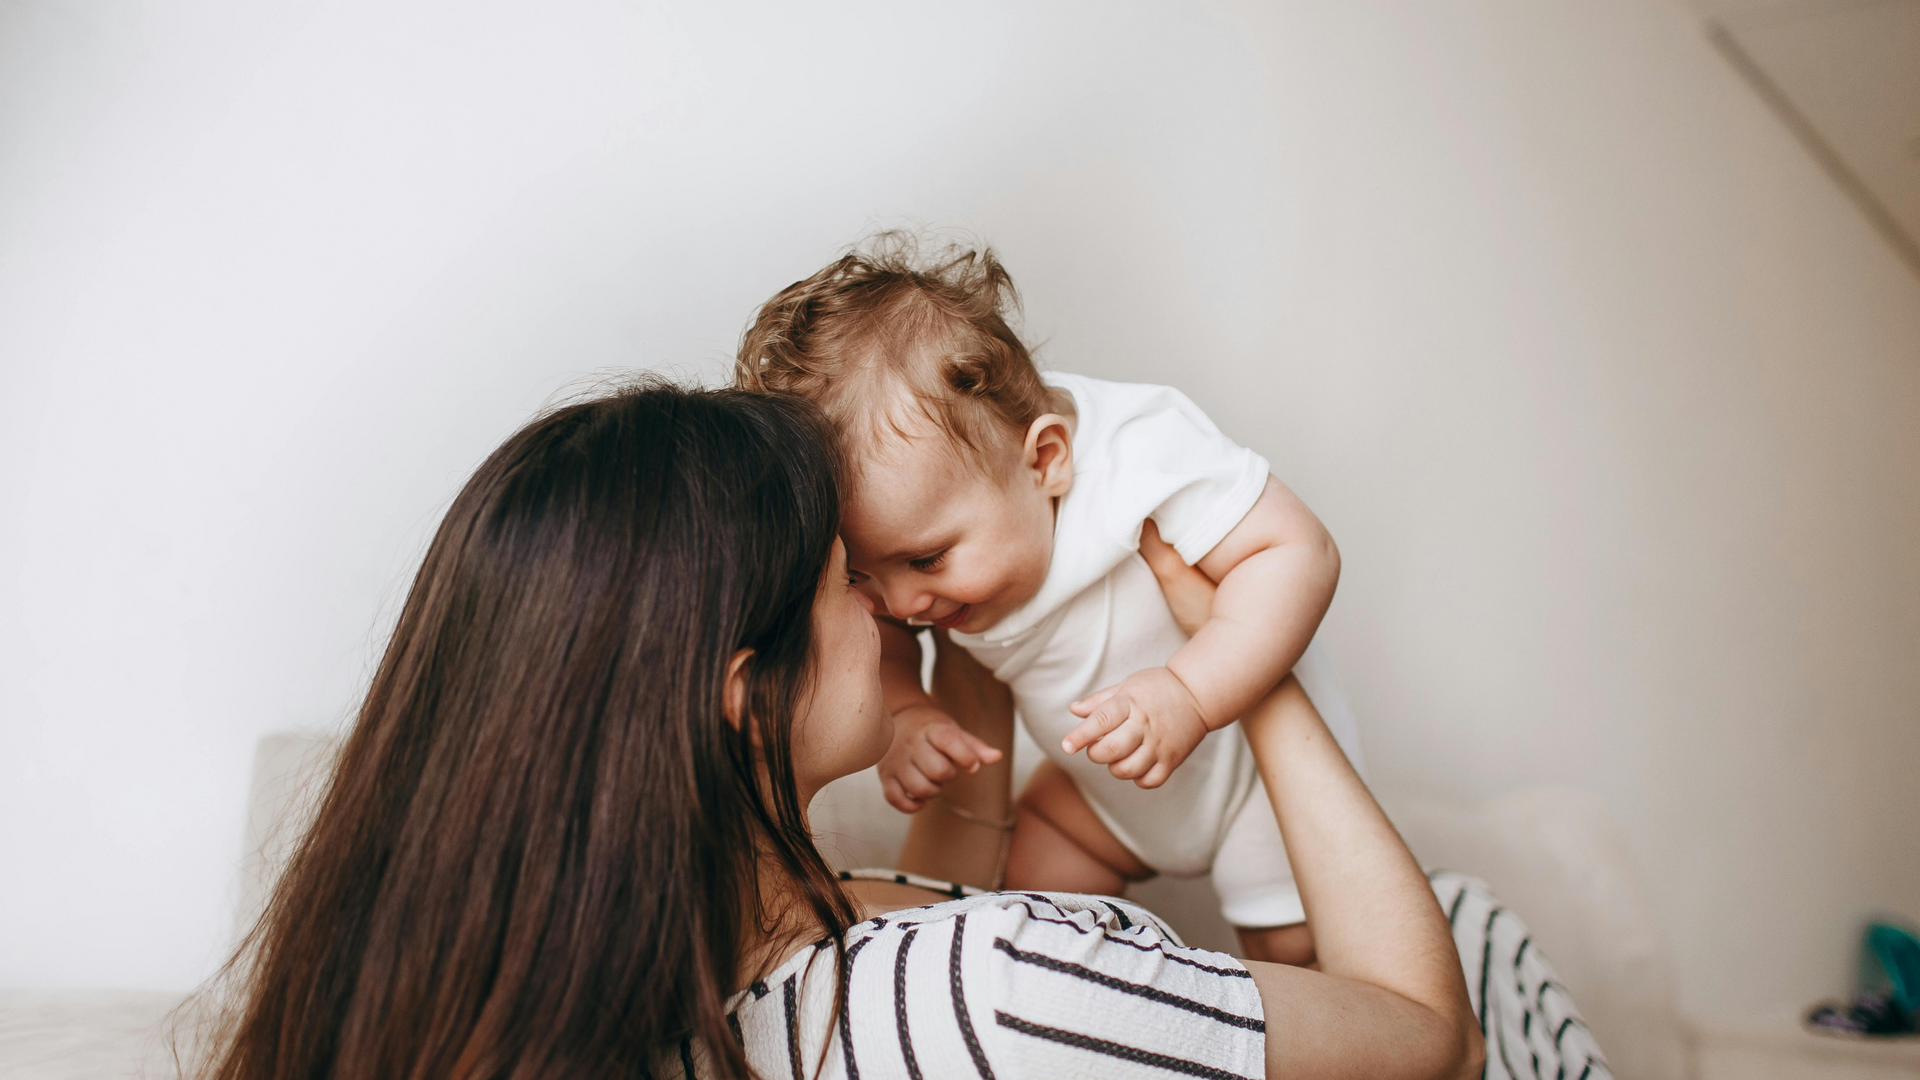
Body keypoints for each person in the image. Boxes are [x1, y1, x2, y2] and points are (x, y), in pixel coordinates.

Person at [189, 378, 1518, 1080]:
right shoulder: (991, 996)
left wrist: (979, 656)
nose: (894, 604)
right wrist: (1239, 659)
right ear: (742, 684)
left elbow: (944, 911)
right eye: (852, 579)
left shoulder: (699, 969)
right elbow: (1431, 1045)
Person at [735, 233, 1364, 963]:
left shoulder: (1139, 452)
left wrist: (1191, 693)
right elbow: (889, 638)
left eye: (927, 558)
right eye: (861, 575)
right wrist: (908, 709)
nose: (902, 601)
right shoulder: (914, 553)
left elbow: (1296, 551)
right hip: (1105, 791)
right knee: (1039, 893)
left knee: (1291, 950)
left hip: (1244, 769)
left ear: (1046, 460)